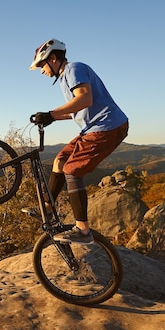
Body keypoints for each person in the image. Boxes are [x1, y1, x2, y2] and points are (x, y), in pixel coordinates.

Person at [26, 38, 129, 244]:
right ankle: (47, 208)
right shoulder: (67, 77)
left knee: (71, 169)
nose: (41, 71)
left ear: (53, 59)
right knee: (60, 161)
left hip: (106, 127)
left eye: (42, 65)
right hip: (93, 128)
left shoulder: (74, 68)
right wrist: (51, 117)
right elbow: (79, 107)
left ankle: (83, 231)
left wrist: (51, 113)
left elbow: (84, 99)